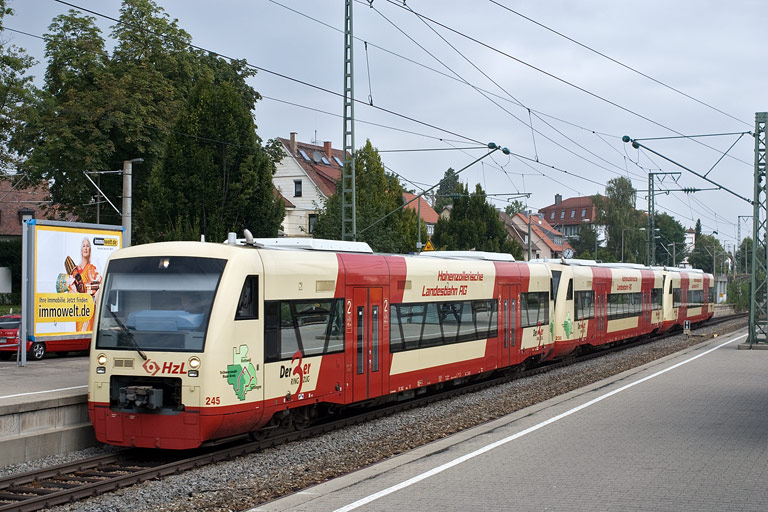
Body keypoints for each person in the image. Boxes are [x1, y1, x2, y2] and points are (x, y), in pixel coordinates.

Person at [67, 237, 102, 332]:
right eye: (84, 246)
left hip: (89, 310)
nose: (86, 248)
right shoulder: (75, 270)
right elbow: (70, 293)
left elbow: (100, 285)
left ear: (90, 250)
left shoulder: (92, 268)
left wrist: (95, 294)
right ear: (81, 250)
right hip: (79, 310)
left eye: (88, 246)